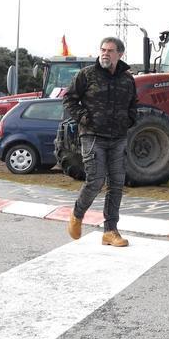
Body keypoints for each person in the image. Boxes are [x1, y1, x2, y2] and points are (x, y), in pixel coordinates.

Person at [64, 36, 136, 247]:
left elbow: (133, 103)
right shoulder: (87, 75)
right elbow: (69, 99)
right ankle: (77, 215)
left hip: (118, 137)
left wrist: (131, 119)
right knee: (95, 180)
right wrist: (84, 118)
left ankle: (110, 231)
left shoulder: (127, 79)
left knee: (116, 184)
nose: (105, 53)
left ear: (120, 54)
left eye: (110, 50)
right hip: (93, 136)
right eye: (103, 49)